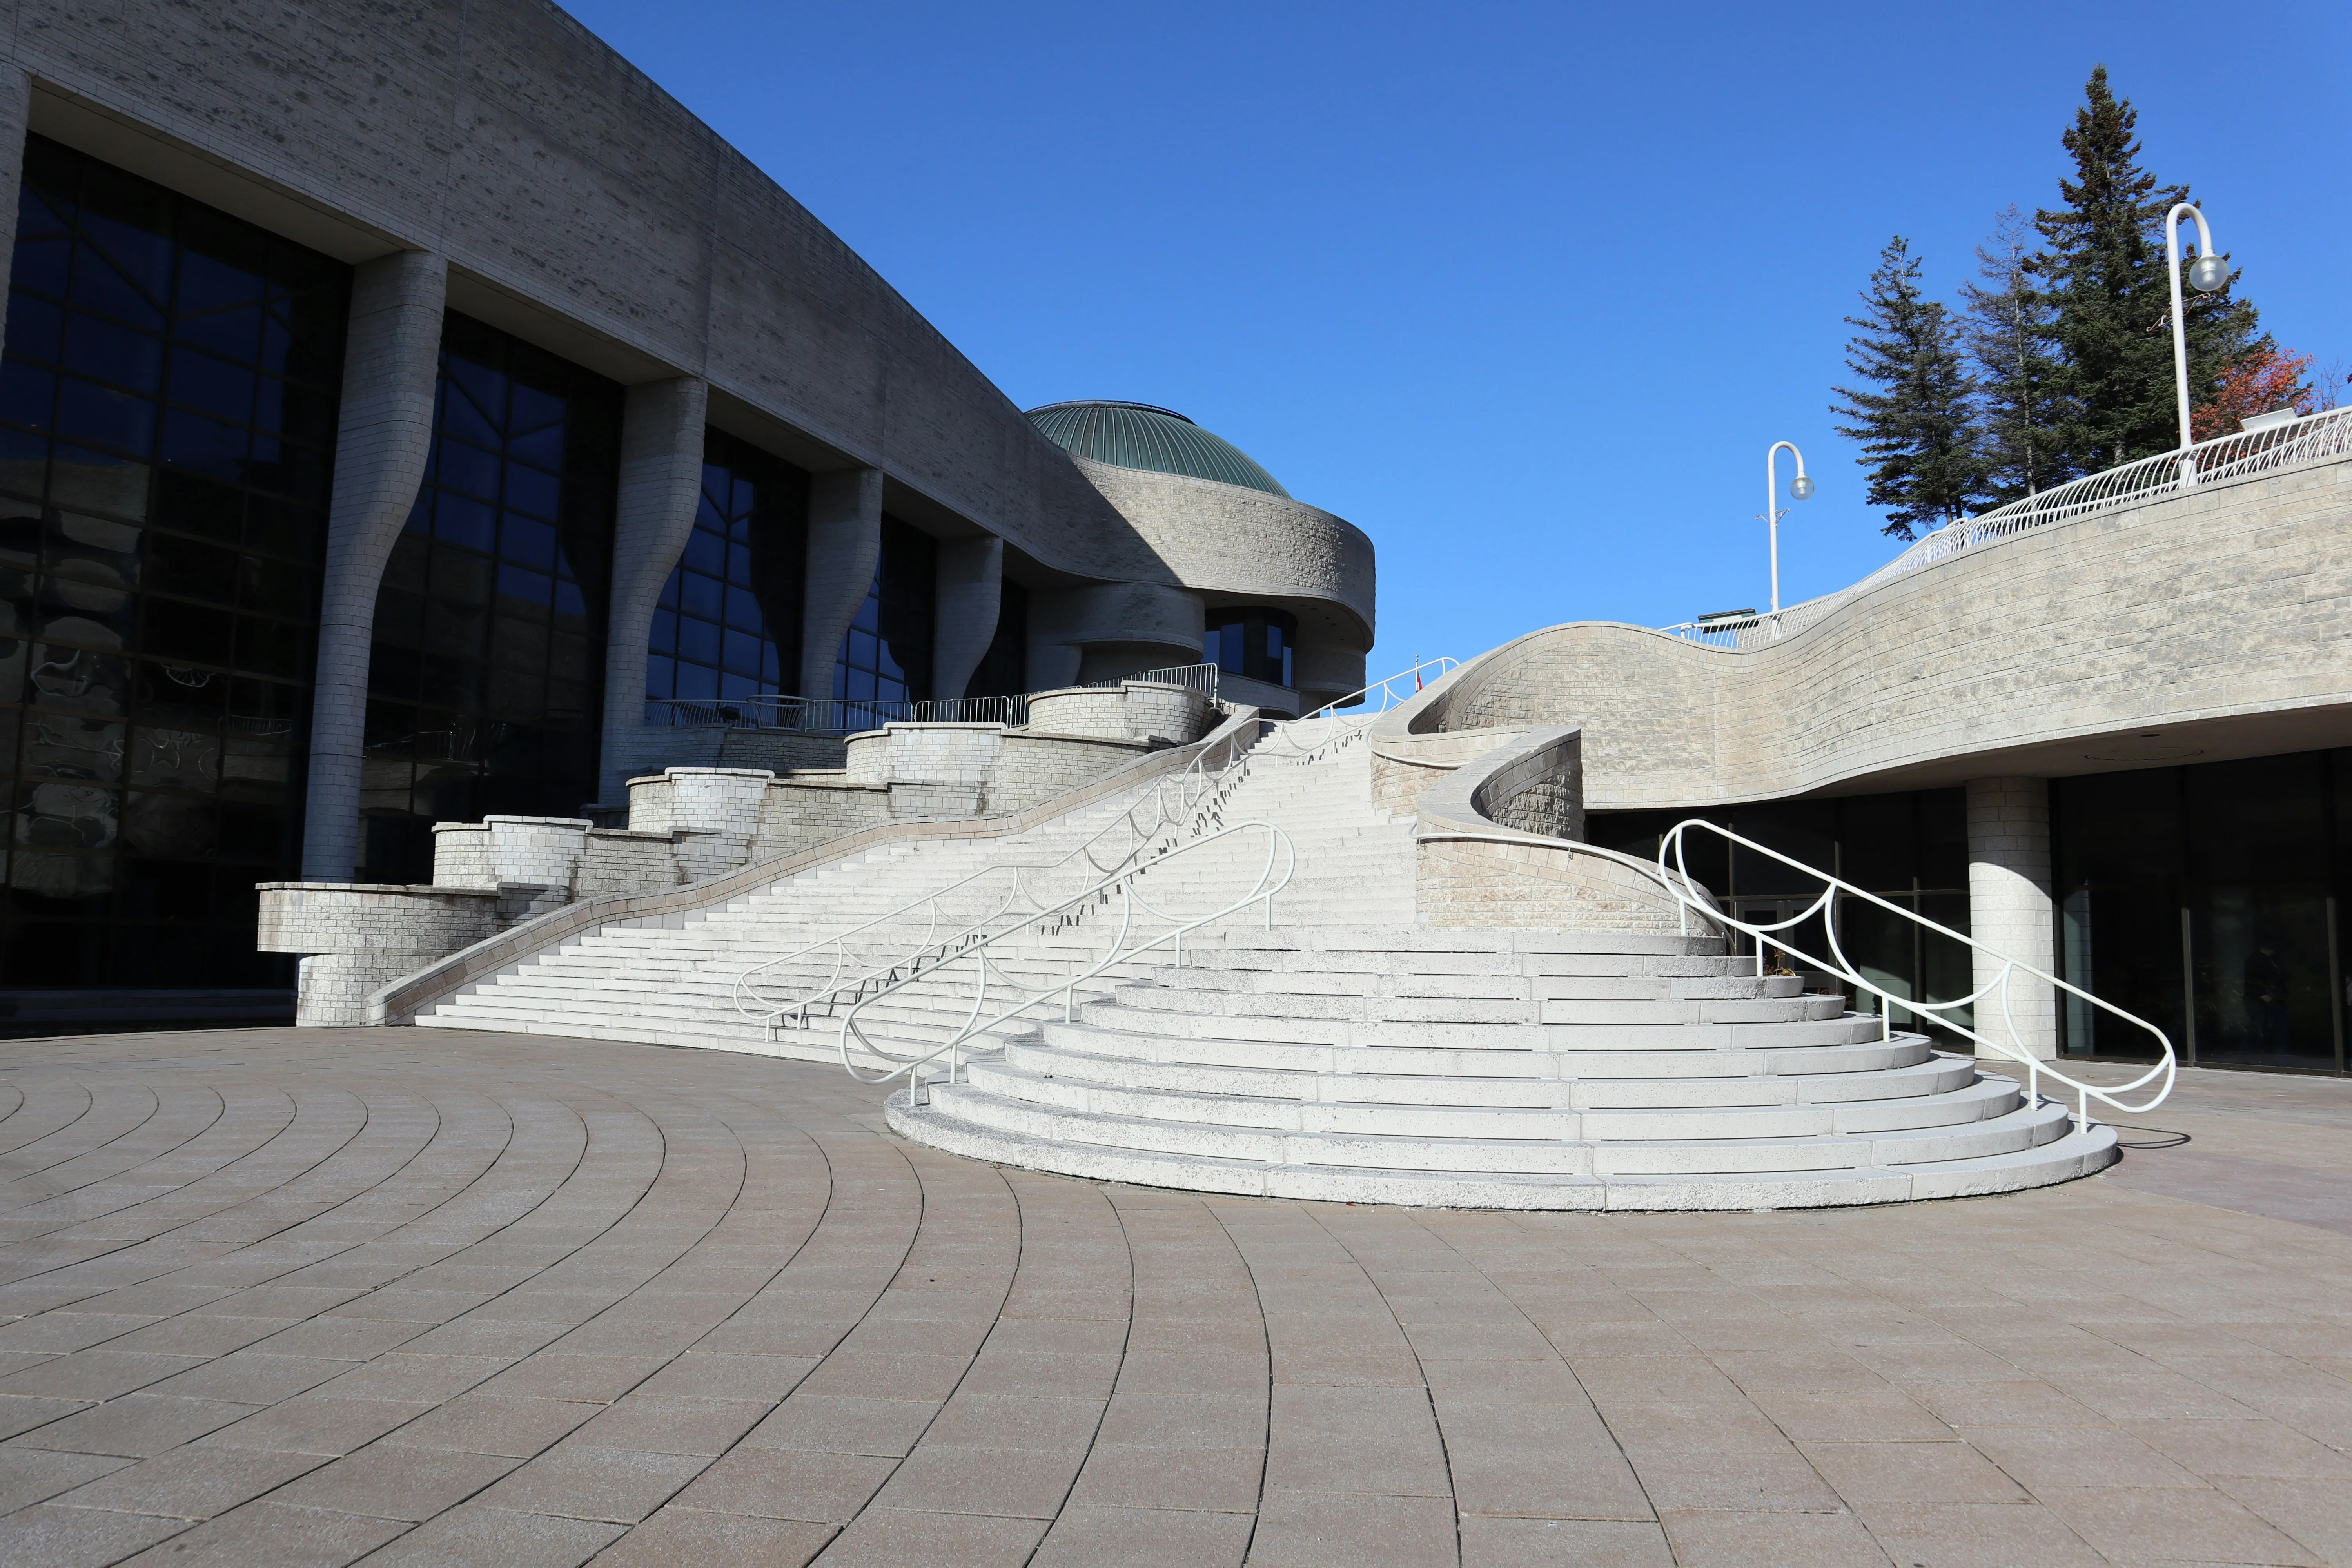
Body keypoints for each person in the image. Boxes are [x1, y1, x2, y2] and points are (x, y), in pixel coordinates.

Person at [2244, 942, 2291, 1056]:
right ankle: (2253, 1050)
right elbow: (2253, 980)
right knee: (2260, 1025)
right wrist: (2263, 994)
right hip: (2260, 998)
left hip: (2267, 997)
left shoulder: (2268, 960)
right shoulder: (2257, 960)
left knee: (2266, 1024)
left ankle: (2263, 1049)